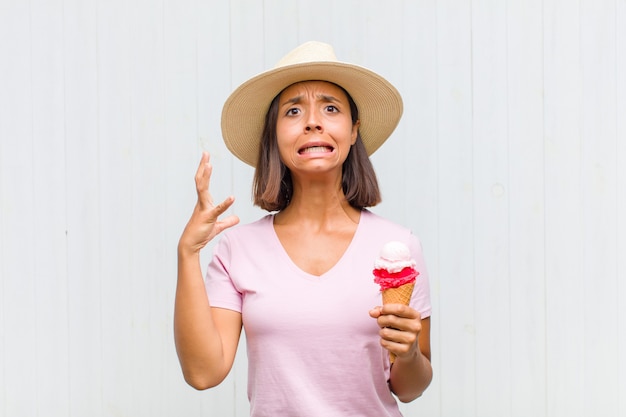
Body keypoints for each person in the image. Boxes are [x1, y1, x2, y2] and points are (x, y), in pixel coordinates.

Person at [174, 41, 432, 416]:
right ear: (275, 136)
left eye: (331, 108)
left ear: (354, 129)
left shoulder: (398, 247)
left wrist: (408, 352)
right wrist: (187, 254)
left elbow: (411, 389)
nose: (313, 121)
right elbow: (203, 372)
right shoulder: (237, 249)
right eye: (293, 111)